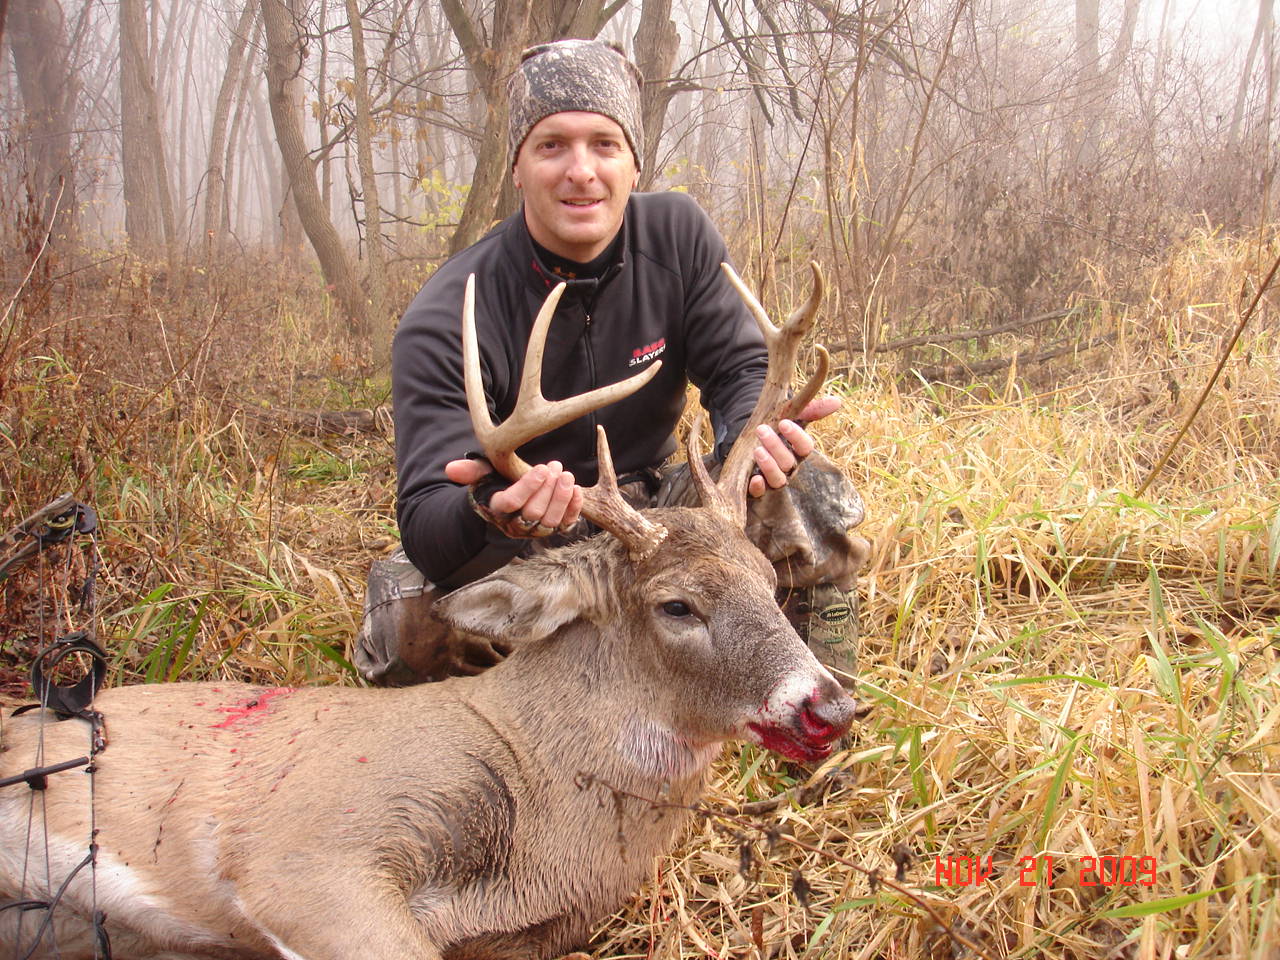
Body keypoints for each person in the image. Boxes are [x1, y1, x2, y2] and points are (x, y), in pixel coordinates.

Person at [355, 39, 865, 687]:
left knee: (799, 485)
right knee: (411, 633)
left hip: (662, 511)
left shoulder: (676, 236)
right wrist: (490, 507)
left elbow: (742, 369)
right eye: (551, 145)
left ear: (633, 162)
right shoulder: (450, 311)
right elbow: (427, 519)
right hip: (539, 535)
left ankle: (815, 713)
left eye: (604, 144)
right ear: (517, 166)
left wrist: (749, 436)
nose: (581, 171)